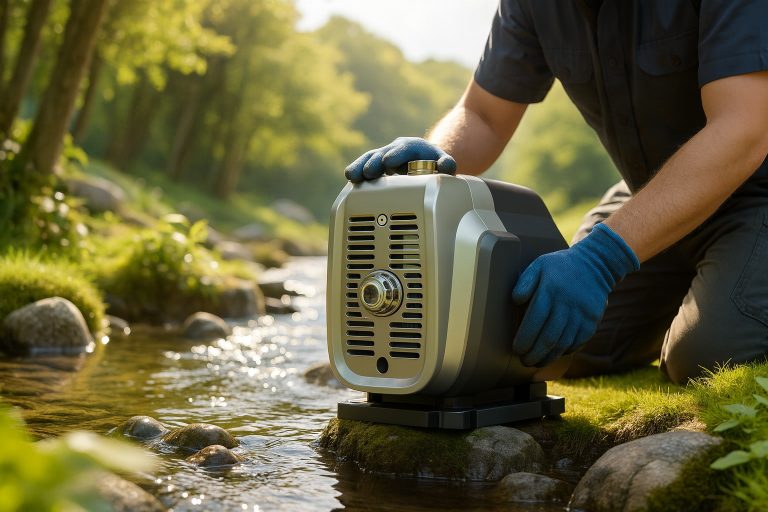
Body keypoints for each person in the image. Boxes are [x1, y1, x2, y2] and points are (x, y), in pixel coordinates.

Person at [343, 0, 768, 384]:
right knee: (539, 339)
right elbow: (484, 114)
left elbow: (743, 129)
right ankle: (697, 292)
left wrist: (601, 259)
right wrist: (435, 161)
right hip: (651, 196)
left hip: (756, 195)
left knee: (704, 359)